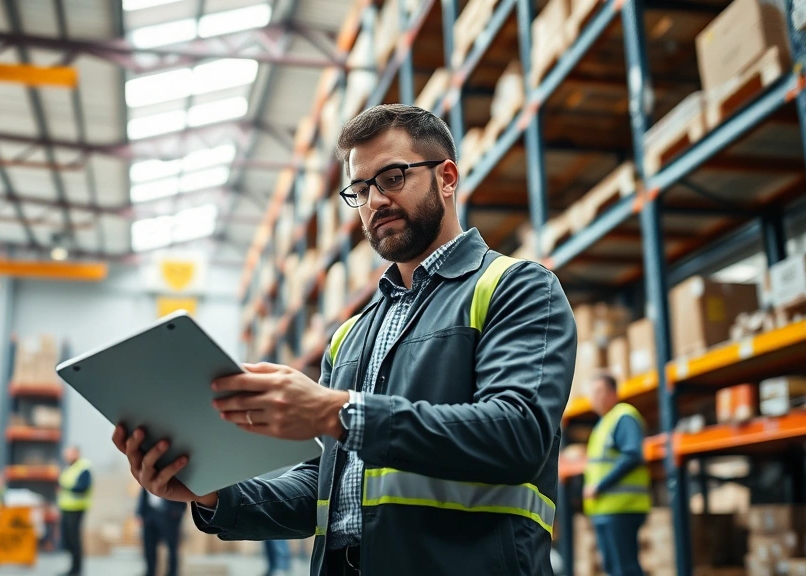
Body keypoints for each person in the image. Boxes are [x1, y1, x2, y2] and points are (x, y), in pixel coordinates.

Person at [112, 103, 578, 575]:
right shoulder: (350, 336)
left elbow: (517, 434)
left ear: (448, 178)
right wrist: (212, 494)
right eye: (360, 189)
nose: (374, 201)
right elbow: (328, 490)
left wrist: (337, 411)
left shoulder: (517, 287)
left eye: (392, 177)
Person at [583, 373, 650, 576]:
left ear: (613, 394)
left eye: (599, 392)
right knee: (613, 569)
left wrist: (600, 486)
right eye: (592, 393)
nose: (595, 397)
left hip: (622, 508)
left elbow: (632, 455)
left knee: (625, 569)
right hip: (604, 509)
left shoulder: (624, 416)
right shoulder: (603, 424)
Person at [58, 446, 93, 576]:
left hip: (77, 508)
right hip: (66, 508)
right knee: (68, 539)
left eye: (69, 453)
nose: (66, 455)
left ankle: (76, 569)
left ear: (76, 453)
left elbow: (82, 487)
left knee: (74, 539)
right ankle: (72, 567)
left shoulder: (84, 467)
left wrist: (66, 488)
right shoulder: (69, 468)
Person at [137, 488, 186, 576]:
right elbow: (143, 495)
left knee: (172, 547)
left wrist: (176, 512)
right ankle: (150, 572)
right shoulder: (146, 477)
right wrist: (140, 513)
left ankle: (172, 573)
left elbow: (182, 498)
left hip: (169, 516)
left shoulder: (172, 476)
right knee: (149, 547)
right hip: (149, 516)